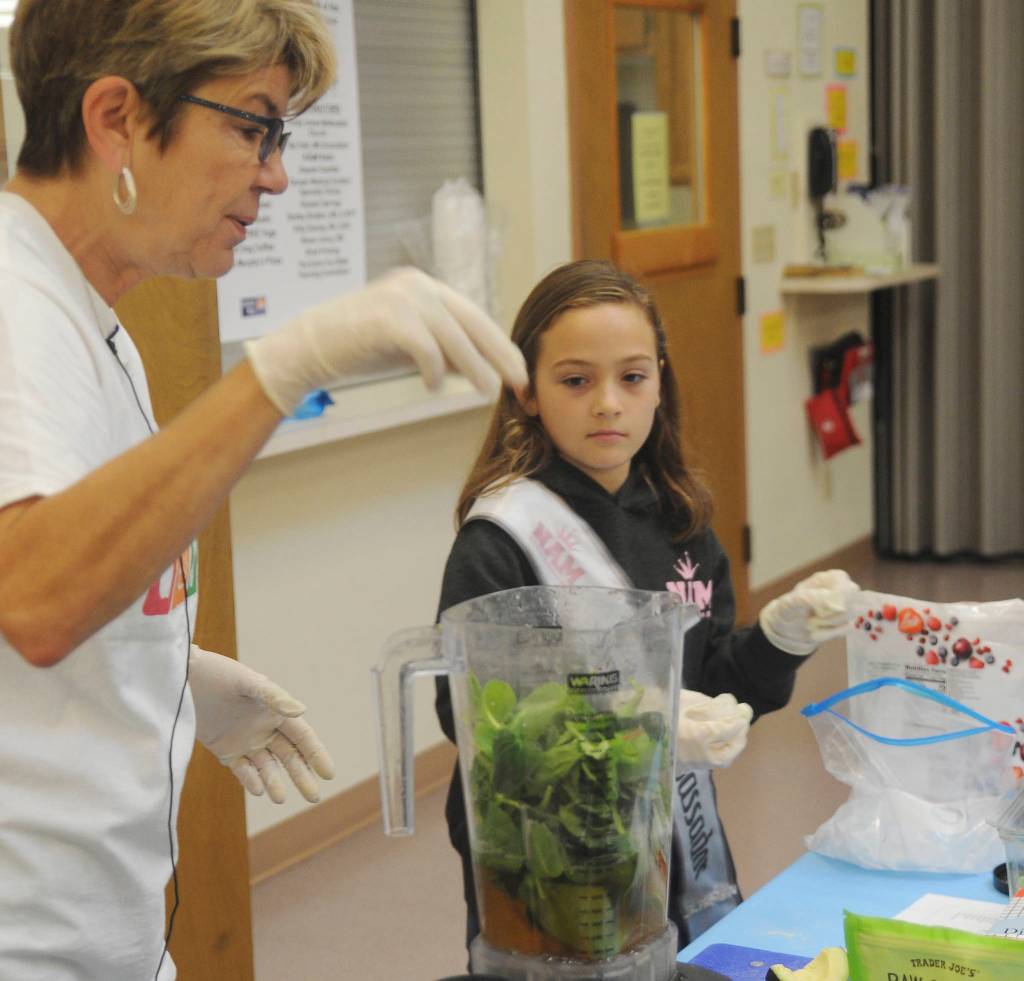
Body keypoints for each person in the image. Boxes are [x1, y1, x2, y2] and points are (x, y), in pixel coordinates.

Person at [0, 2, 527, 979]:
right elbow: (34, 596)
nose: (276, 174)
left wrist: (166, 671)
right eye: (252, 128)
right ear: (115, 117)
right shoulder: (13, 306)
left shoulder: (87, 318)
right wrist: (283, 368)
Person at [434, 259, 857, 955]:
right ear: (528, 391)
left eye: (632, 377)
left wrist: (781, 639)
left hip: (666, 842)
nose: (608, 402)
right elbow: (474, 720)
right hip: (542, 861)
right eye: (576, 380)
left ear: (660, 381)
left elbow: (716, 683)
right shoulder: (502, 538)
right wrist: (640, 719)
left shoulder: (679, 520)